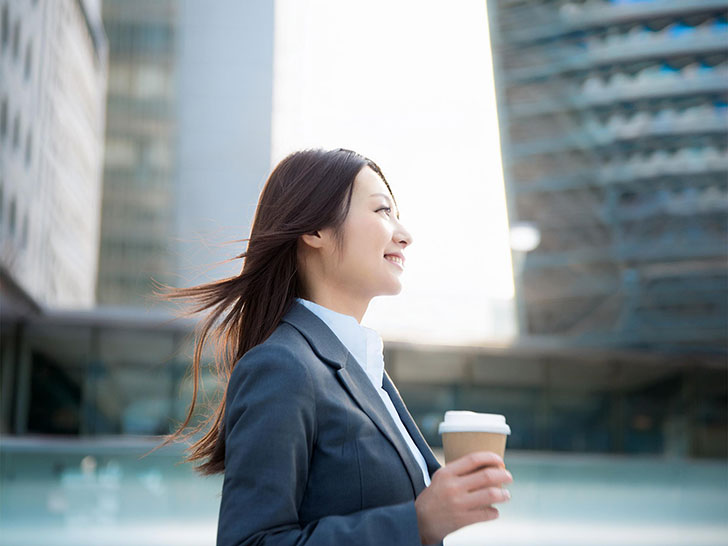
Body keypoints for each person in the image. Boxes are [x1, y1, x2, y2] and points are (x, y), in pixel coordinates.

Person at [161, 148, 513, 545]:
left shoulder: (362, 367)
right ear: (315, 231)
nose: (404, 233)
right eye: (382, 211)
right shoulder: (281, 366)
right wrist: (418, 522)